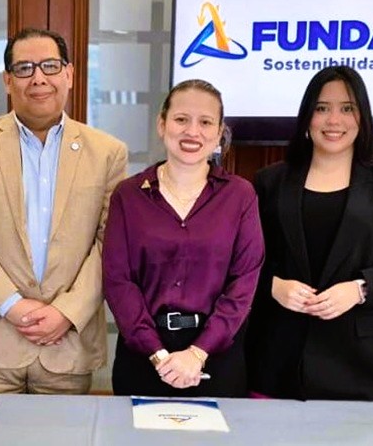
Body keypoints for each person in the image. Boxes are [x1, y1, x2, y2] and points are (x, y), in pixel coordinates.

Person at [0, 27, 128, 394]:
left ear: (69, 74)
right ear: (8, 81)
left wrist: (66, 312)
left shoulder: (108, 152)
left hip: (67, 342)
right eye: (24, 68)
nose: (38, 78)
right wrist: (11, 305)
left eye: (50, 66)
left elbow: (111, 245)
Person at [246, 65, 373, 401]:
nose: (333, 120)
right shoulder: (269, 182)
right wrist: (274, 286)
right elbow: (245, 262)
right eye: (322, 108)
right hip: (278, 357)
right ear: (307, 116)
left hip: (361, 364)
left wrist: (359, 289)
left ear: (362, 117)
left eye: (347, 108)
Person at [103, 79, 264, 397]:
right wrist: (158, 355)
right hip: (144, 357)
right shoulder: (129, 195)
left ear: (219, 133)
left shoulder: (240, 195)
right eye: (181, 119)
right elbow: (118, 282)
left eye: (205, 122)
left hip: (217, 357)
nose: (192, 131)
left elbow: (244, 282)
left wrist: (197, 354)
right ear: (162, 125)